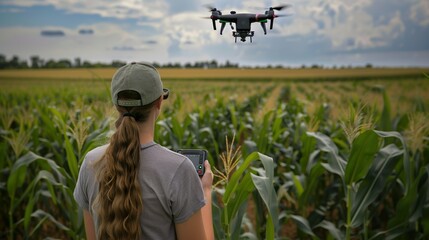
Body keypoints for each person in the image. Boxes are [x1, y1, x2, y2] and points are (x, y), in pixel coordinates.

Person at [73, 62, 214, 240]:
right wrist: (206, 191)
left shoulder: (91, 163)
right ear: (159, 102)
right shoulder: (179, 170)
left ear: (117, 106)